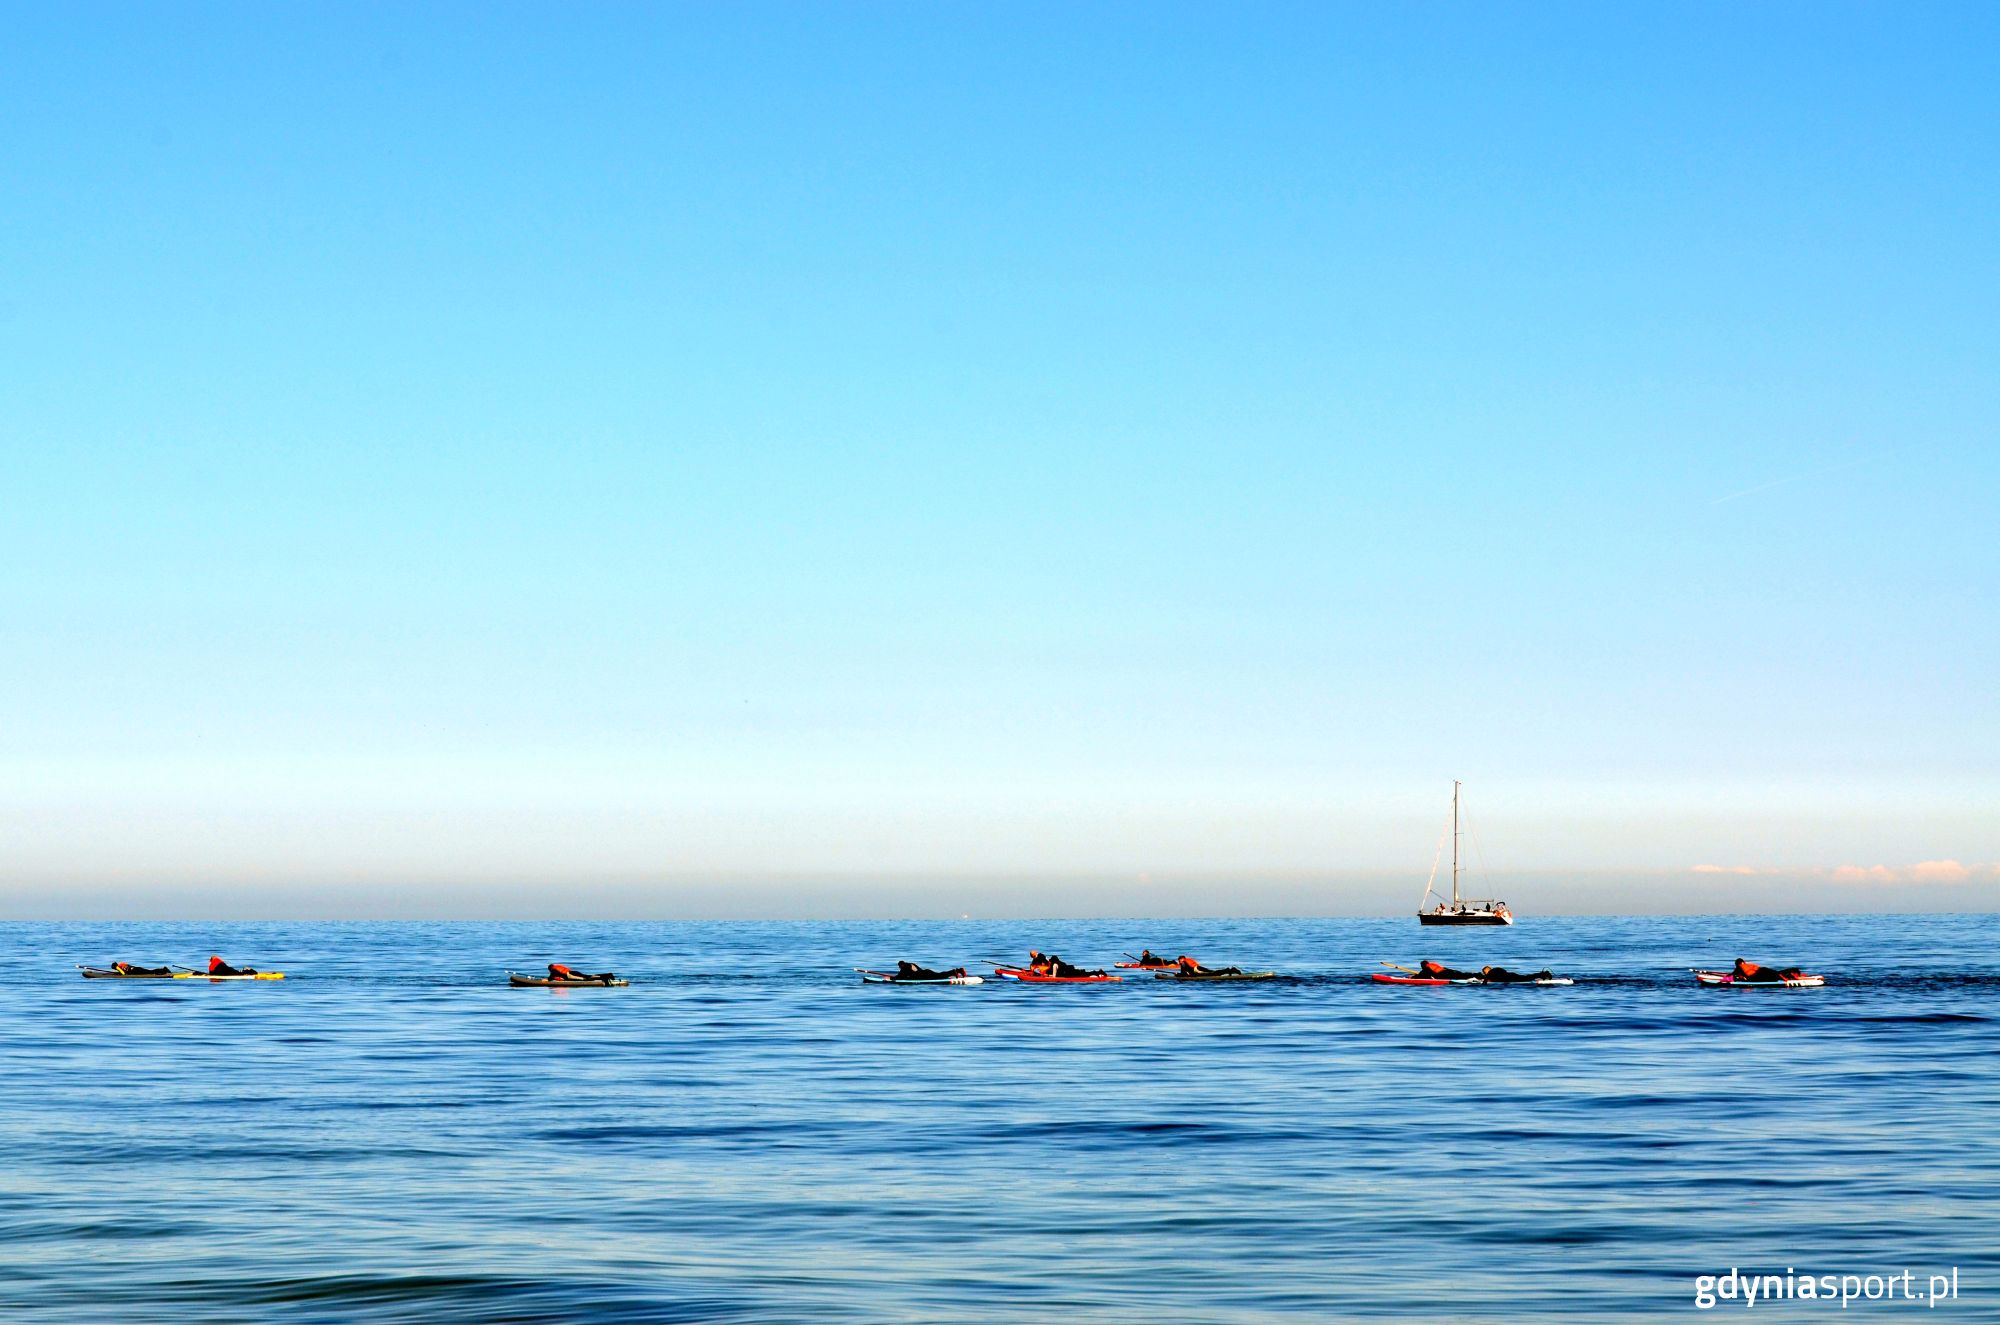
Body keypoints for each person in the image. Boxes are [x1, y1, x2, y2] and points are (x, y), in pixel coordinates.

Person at [1732, 958, 1804, 983]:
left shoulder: (1739, 967)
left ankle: (1785, 978)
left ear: (1738, 964)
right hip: (1762, 969)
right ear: (1744, 962)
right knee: (1777, 973)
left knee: (1774, 977)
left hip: (1756, 975)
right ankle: (1794, 972)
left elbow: (1732, 974)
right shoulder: (1749, 965)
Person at [1175, 955, 1243, 977]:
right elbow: (1185, 971)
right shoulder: (1186, 961)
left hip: (1197, 970)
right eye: (1179, 960)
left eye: (1179, 960)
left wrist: (1178, 975)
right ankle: (1229, 970)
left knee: (1213, 973)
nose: (1179, 962)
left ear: (1182, 959)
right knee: (1212, 972)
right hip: (1198, 968)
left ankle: (1229, 970)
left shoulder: (1183, 962)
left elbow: (1184, 973)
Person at [895, 960, 969, 980]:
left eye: (899, 967)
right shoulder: (911, 964)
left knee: (940, 976)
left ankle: (954, 972)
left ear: (902, 965)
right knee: (940, 975)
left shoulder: (905, 967)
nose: (899, 968)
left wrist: (892, 978)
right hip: (926, 972)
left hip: (925, 975)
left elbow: (900, 976)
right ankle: (959, 970)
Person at [1476, 965, 1554, 984]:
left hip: (1509, 978)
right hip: (1511, 975)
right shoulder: (1497, 969)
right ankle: (1542, 974)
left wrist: (1483, 983)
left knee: (1526, 978)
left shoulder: (1490, 973)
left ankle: (1543, 974)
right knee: (1526, 977)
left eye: (1484, 972)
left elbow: (1486, 979)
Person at [548, 963, 617, 983]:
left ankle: (605, 977)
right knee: (588, 976)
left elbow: (551, 976)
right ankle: (608, 975)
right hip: (573, 972)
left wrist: (548, 979)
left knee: (586, 979)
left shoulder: (553, 969)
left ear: (550, 968)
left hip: (571, 975)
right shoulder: (558, 966)